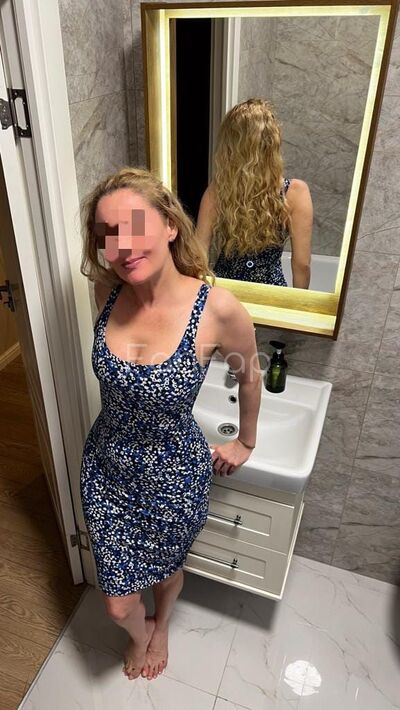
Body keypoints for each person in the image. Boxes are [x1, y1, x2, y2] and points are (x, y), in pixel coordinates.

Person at [79, 166, 262, 682]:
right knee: (118, 602)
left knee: (166, 569)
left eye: (134, 226)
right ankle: (140, 632)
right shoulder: (106, 293)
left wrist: (246, 441)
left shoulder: (217, 309)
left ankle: (161, 627)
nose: (122, 246)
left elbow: (249, 376)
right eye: (108, 234)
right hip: (106, 469)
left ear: (170, 225)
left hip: (173, 475)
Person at [196, 98, 313, 288]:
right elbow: (302, 265)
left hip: (226, 291)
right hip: (270, 293)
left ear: (229, 146)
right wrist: (298, 304)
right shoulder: (295, 192)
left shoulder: (217, 190)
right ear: (273, 143)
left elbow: (199, 255)